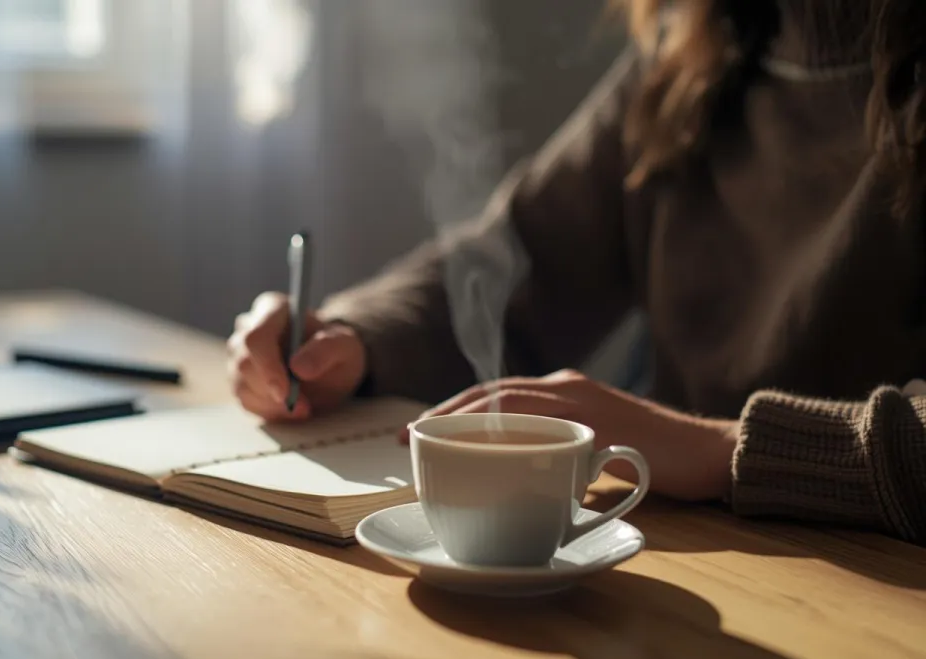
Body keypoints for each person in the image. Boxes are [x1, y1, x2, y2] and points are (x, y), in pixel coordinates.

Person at [227, 0, 926, 545]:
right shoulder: (691, 59)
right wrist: (351, 339)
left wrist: (713, 448)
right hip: (700, 555)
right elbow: (516, 260)